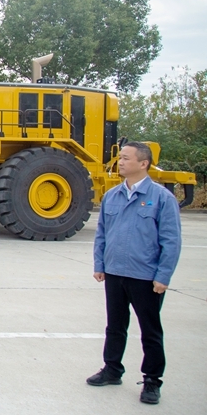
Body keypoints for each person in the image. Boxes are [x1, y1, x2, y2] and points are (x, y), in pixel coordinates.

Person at [87, 141, 181, 405]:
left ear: (143, 163)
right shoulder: (112, 196)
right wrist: (99, 264)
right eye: (120, 157)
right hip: (115, 273)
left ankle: (152, 380)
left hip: (145, 277)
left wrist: (163, 276)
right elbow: (102, 233)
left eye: (126, 158)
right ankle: (112, 369)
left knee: (150, 331)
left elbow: (171, 241)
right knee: (115, 326)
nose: (120, 162)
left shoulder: (162, 198)